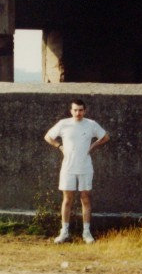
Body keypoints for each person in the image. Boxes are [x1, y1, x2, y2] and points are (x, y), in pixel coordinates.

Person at [44, 100, 110, 243]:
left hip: (85, 167)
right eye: (75, 110)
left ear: (84, 111)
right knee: (67, 199)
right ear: (71, 111)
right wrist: (59, 146)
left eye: (80, 110)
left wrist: (94, 145)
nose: (78, 113)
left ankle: (86, 233)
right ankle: (64, 232)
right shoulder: (63, 124)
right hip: (68, 167)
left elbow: (105, 137)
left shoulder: (91, 124)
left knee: (85, 198)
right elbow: (48, 137)